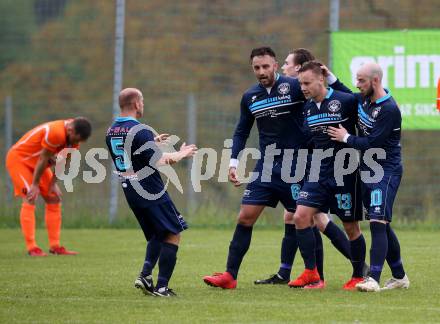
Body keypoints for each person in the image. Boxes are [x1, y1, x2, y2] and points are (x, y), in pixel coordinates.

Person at [203, 46, 318, 289]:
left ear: (275, 65)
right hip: (266, 166)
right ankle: (230, 276)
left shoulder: (295, 87)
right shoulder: (250, 97)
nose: (261, 71)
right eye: (257, 67)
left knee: (304, 219)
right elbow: (241, 131)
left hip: (295, 166)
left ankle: (315, 274)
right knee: (245, 217)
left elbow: (320, 98)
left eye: (266, 66)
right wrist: (233, 162)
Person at [106, 87, 197, 297]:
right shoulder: (140, 130)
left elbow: (130, 152)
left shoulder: (111, 130)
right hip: (149, 190)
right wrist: (182, 153)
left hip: (130, 190)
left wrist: (152, 143)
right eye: (143, 102)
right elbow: (161, 161)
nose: (143, 105)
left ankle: (146, 276)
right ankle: (162, 287)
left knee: (158, 232)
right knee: (173, 232)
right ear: (137, 104)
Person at [327, 62, 410, 292]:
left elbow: (372, 144)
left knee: (377, 221)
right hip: (369, 170)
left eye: (361, 80)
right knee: (381, 221)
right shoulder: (364, 99)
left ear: (375, 81)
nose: (357, 84)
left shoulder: (389, 109)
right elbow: (346, 94)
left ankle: (373, 278)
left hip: (387, 170)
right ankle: (400, 276)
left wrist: (345, 138)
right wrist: (331, 77)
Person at [291, 61, 367, 290]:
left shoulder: (345, 100)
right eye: (300, 83)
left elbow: (361, 100)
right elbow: (309, 140)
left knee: (350, 226)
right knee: (300, 216)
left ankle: (358, 276)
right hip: (318, 172)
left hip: (345, 173)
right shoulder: (307, 108)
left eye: (307, 83)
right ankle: (312, 273)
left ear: (320, 79)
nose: (303, 88)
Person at [6, 117, 92, 256]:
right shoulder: (56, 132)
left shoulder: (74, 139)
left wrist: (53, 184)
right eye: (76, 139)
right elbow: (43, 158)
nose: (77, 143)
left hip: (39, 163)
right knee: (30, 196)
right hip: (20, 160)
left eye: (79, 141)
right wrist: (34, 185)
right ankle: (32, 247)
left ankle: (55, 246)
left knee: (54, 198)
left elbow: (62, 162)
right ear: (70, 129)